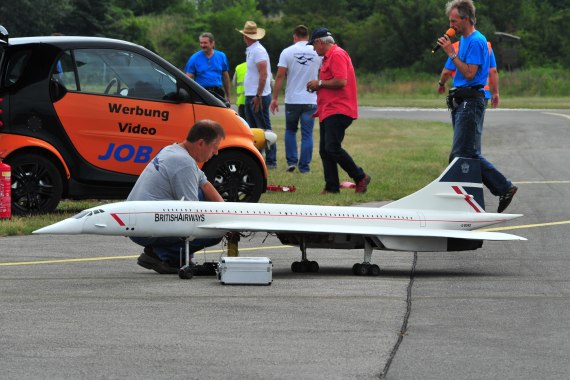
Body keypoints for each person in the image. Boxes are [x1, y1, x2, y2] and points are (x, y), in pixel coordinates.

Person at [436, 0, 517, 213]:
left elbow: (470, 73)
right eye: (450, 21)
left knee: (461, 154)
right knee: (466, 153)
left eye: (454, 21)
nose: (450, 25)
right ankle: (471, 198)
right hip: (462, 100)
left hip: (471, 101)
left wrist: (450, 54)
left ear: (465, 19)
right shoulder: (463, 40)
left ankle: (502, 187)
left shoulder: (476, 41)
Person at [128, 120, 226, 274]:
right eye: (214, 147)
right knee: (215, 233)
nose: (216, 152)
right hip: (144, 228)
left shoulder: (174, 150)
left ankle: (168, 253)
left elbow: (205, 184)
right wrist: (226, 225)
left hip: (139, 219)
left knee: (202, 194)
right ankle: (162, 256)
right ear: (201, 143)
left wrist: (227, 211)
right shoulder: (184, 163)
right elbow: (192, 215)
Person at [305, 28, 371, 194]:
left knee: (332, 147)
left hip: (339, 109)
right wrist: (318, 85)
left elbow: (341, 81)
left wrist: (319, 83)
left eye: (314, 45)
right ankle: (332, 187)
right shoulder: (328, 57)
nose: (313, 49)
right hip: (328, 110)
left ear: (320, 42)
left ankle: (360, 176)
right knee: (325, 150)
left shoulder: (337, 54)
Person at [270, 25, 321, 173]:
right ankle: (304, 167)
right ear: (308, 36)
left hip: (292, 99)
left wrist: (274, 98)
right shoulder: (316, 51)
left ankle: (292, 162)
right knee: (307, 134)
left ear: (295, 36)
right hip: (311, 99)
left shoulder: (287, 52)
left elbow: (280, 76)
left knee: (291, 131)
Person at [236, 21, 277, 168]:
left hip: (257, 96)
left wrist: (259, 95)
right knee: (253, 130)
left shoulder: (258, 51)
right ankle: (257, 158)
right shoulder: (252, 50)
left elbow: (264, 74)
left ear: (245, 36)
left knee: (264, 129)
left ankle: (271, 161)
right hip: (252, 95)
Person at [438, 40, 500, 108]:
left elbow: (446, 72)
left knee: (462, 117)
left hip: (462, 92)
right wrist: (495, 92)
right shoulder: (487, 46)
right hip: (483, 93)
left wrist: (441, 84)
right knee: (477, 117)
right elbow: (493, 71)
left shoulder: (456, 47)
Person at [184, 32, 231, 103]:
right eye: (201, 43)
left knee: (218, 113)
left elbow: (225, 77)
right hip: (202, 92)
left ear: (212, 43)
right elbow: (188, 77)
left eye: (205, 43)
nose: (203, 45)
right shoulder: (194, 58)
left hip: (218, 92)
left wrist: (228, 95)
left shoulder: (221, 56)